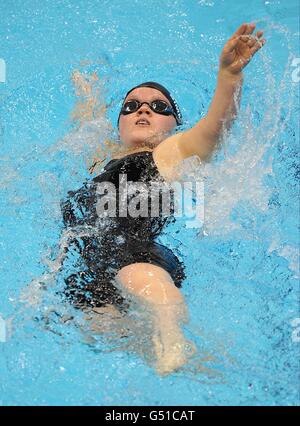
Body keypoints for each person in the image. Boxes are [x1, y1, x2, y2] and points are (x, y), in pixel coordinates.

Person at [61, 23, 266, 375]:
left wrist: (229, 77)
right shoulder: (99, 159)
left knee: (147, 289)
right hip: (90, 268)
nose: (143, 110)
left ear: (175, 124)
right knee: (104, 336)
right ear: (119, 124)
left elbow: (213, 129)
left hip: (139, 255)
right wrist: (88, 97)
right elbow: (85, 129)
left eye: (158, 106)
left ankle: (173, 339)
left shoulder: (169, 153)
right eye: (131, 107)